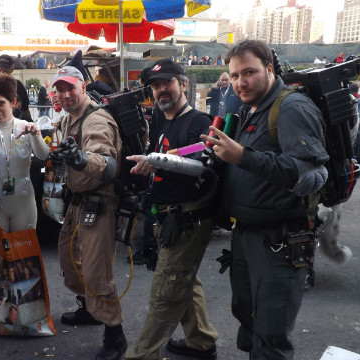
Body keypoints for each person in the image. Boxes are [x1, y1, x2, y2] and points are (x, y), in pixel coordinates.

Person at [202, 39, 328, 359]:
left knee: (271, 334)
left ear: (269, 69)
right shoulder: (250, 110)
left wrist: (242, 156)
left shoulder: (292, 108)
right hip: (246, 236)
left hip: (280, 242)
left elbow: (308, 172)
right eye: (233, 76)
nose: (240, 82)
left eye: (249, 72)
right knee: (247, 318)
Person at [125, 59, 218, 360]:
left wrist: (159, 159)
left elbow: (199, 159)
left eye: (167, 82)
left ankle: (141, 355)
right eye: (155, 85)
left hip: (187, 217)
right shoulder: (161, 120)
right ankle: (201, 341)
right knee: (184, 280)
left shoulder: (199, 122)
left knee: (167, 290)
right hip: (165, 215)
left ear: (182, 84)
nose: (160, 89)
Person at [49, 65, 126, 360]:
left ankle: (114, 334)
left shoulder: (97, 121)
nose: (66, 94)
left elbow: (105, 160)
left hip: (99, 203)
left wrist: (80, 159)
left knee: (97, 274)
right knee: (71, 263)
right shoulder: (70, 118)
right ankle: (90, 310)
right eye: (61, 89)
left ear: (83, 88)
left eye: (71, 88)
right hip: (77, 202)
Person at [0, 74, 49, 232]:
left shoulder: (27, 127)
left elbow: (43, 156)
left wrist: (36, 136)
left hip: (24, 204)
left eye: (0, 103)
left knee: (25, 255)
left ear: (12, 102)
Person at [0, 54, 31, 121]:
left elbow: (26, 109)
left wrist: (30, 123)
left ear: (11, 70)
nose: (2, 74)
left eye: (5, 71)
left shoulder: (18, 85)